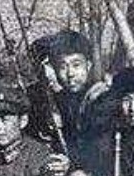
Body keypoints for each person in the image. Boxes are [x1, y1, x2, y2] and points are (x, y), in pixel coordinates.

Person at [28, 30, 114, 160]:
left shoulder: (99, 97)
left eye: (76, 65)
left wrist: (71, 162)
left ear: (88, 66)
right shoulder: (60, 98)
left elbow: (100, 150)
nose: (70, 74)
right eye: (63, 67)